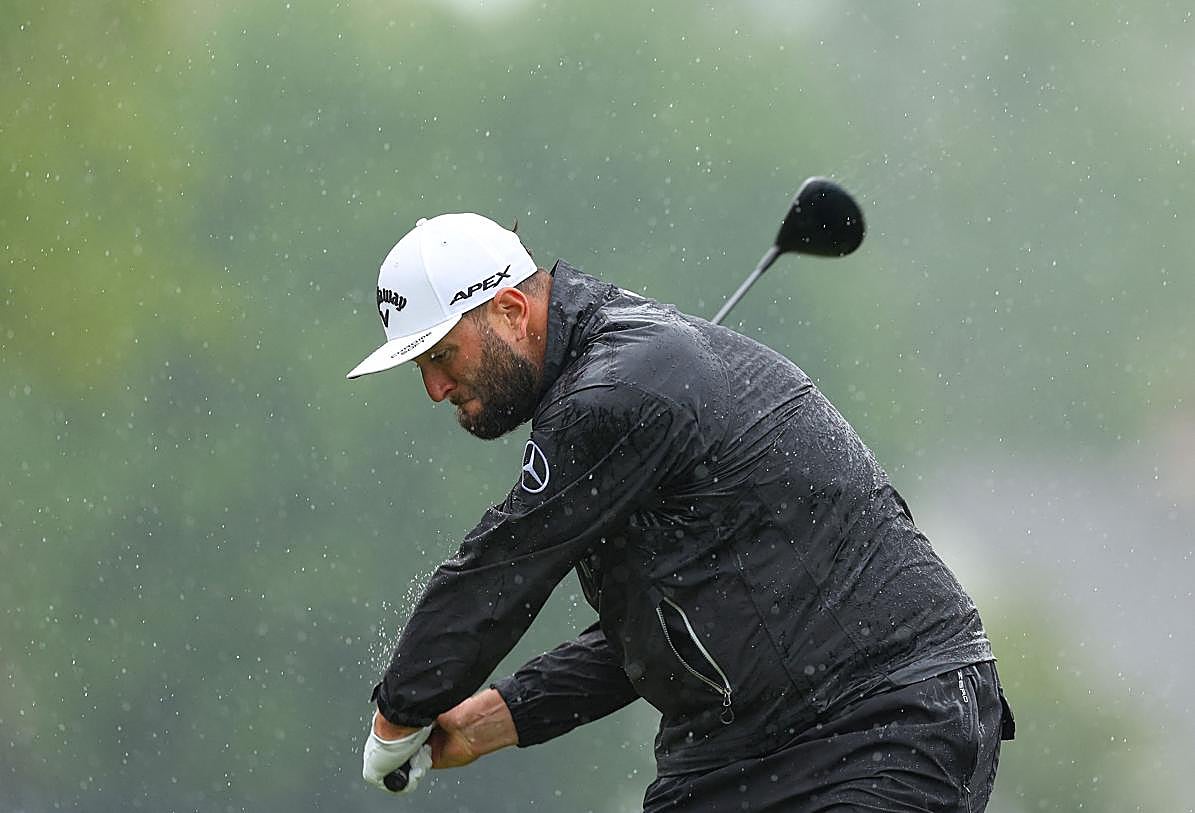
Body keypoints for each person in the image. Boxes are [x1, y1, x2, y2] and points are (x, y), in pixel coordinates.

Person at [348, 212, 1014, 811]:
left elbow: (499, 568)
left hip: (884, 718)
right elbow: (663, 631)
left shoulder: (611, 394)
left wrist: (397, 713)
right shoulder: (611, 394)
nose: (435, 388)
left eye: (441, 355)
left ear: (512, 310)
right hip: (743, 750)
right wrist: (501, 715)